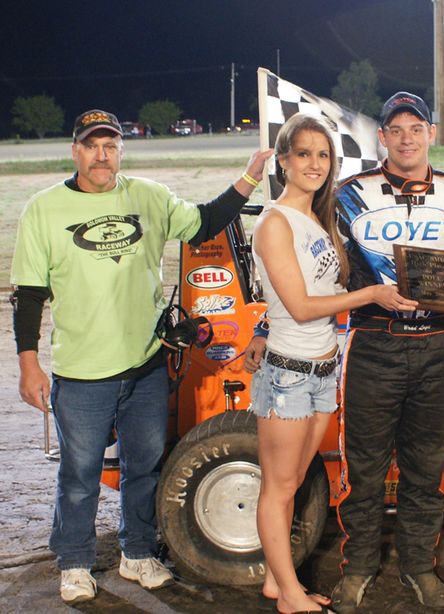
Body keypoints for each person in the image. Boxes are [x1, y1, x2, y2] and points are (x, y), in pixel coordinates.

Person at [10, 109, 273, 604]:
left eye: (110, 145)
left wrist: (250, 176)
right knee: (79, 475)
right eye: (92, 145)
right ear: (76, 151)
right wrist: (28, 362)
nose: (102, 155)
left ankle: (137, 553)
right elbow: (27, 294)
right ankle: (74, 561)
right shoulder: (43, 210)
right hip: (83, 372)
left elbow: (204, 224)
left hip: (147, 365)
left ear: (121, 152)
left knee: (144, 467)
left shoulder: (149, 197)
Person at [246, 113, 417, 614]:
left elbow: (319, 292)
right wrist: (372, 294)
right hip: (288, 371)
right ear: (283, 161)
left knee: (293, 482)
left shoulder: (317, 220)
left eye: (323, 156)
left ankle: (279, 583)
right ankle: (287, 594)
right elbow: (298, 307)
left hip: (322, 369)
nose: (315, 164)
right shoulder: (275, 222)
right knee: (278, 487)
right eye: (303, 154)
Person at [330, 92, 444, 612]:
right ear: (383, 138)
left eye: (416, 128)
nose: (407, 138)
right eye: (396, 130)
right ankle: (359, 567)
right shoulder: (349, 193)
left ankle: (419, 565)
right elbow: (321, 265)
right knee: (365, 469)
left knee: (425, 468)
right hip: (374, 344)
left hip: (439, 345)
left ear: (431, 134)